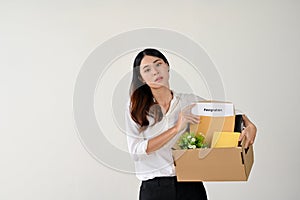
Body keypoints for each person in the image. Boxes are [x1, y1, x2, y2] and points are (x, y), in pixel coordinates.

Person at [125, 48, 257, 200]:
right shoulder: (135, 108)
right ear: (141, 78)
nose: (155, 72)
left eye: (158, 64)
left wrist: (249, 124)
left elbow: (226, 111)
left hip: (190, 185)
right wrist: (176, 128)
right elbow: (136, 150)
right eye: (147, 69)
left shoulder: (189, 102)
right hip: (155, 189)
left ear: (167, 67)